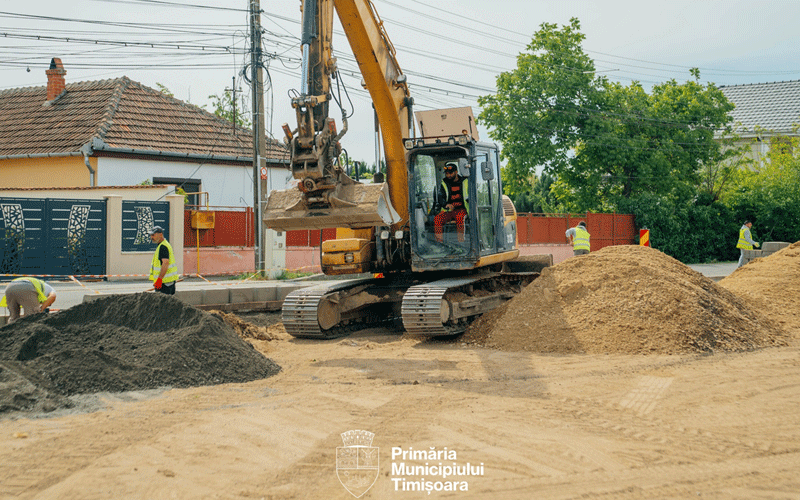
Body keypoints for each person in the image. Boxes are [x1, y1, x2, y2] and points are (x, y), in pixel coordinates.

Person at [433, 162, 468, 243]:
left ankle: (461, 242)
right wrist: (445, 204)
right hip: (449, 210)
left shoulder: (465, 181)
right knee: (437, 219)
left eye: (451, 173)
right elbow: (440, 196)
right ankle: (439, 243)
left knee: (460, 219)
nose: (448, 175)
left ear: (456, 172)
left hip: (462, 209)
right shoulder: (444, 183)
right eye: (447, 174)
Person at [149, 226, 179, 295]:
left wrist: (159, 279)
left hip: (164, 284)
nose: (151, 237)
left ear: (160, 234)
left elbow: (165, 263)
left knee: (163, 305)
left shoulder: (163, 247)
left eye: (153, 235)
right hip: (167, 283)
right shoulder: (164, 244)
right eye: (151, 235)